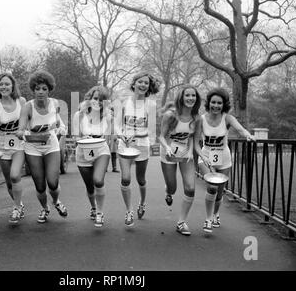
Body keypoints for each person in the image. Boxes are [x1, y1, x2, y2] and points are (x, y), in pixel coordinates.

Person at [194, 87, 256, 233]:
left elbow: (241, 129)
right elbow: (196, 142)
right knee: (212, 187)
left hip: (224, 159)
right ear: (209, 103)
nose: (216, 106)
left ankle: (216, 214)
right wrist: (202, 156)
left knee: (219, 192)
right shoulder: (201, 119)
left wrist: (248, 135)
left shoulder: (227, 118)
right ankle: (208, 219)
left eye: (219, 103)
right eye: (213, 102)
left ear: (224, 105)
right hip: (206, 158)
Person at [17, 70, 68, 223]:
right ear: (33, 89)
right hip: (33, 146)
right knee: (40, 186)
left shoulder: (55, 103)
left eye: (44, 89)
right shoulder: (28, 106)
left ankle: (56, 201)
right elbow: (21, 126)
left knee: (52, 182)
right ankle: (45, 208)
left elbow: (58, 120)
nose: (40, 92)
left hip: (51, 144)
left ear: (49, 90)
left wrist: (62, 127)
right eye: (37, 88)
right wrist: (21, 132)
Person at [113, 72, 160, 226]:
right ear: (134, 84)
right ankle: (129, 211)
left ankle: (142, 203)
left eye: (146, 83)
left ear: (149, 87)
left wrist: (137, 134)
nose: (143, 85)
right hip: (125, 145)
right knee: (126, 178)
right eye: (140, 82)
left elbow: (152, 130)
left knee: (141, 179)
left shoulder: (151, 105)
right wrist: (121, 135)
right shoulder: (123, 102)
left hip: (142, 146)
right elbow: (117, 125)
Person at [158, 85, 201, 236]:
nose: (190, 98)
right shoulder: (170, 115)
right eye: (187, 95)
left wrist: (194, 153)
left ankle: (181, 222)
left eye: (193, 96)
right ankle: (168, 192)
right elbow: (161, 136)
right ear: (181, 97)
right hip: (168, 154)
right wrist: (166, 147)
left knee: (190, 188)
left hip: (186, 155)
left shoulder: (197, 118)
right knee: (173, 188)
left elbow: (193, 140)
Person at [0, 73, 27, 224]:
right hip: (3, 146)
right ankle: (20, 205)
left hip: (19, 145)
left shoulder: (21, 101)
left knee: (15, 175)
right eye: (1, 84)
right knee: (9, 182)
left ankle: (16, 208)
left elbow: (28, 121)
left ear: (13, 86)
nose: (4, 87)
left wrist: (25, 132)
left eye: (7, 84)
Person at [72, 86, 111, 227]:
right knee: (90, 187)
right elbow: (75, 135)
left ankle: (100, 213)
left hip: (101, 150)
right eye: (95, 98)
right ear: (89, 98)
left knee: (98, 181)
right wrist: (83, 137)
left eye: (101, 100)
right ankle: (94, 208)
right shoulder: (79, 115)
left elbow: (109, 135)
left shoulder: (107, 115)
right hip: (83, 152)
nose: (98, 102)